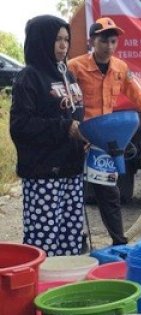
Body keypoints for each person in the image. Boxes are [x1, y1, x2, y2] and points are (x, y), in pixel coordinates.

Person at [68, 17, 141, 246]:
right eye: (104, 41)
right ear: (92, 40)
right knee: (73, 192)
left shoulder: (121, 68)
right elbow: (65, 102)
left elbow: (136, 95)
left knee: (109, 193)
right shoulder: (75, 67)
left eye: (113, 41)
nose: (109, 46)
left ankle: (119, 242)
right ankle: (74, 240)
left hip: (103, 143)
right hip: (77, 138)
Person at [10, 15, 86, 256]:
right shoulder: (29, 77)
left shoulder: (68, 74)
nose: (64, 45)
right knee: (45, 239)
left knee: (71, 234)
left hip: (71, 169)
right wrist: (65, 128)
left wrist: (83, 137)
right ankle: (44, 288)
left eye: (66, 39)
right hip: (44, 173)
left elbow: (75, 114)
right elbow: (20, 125)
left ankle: (66, 287)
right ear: (41, 41)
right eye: (57, 40)